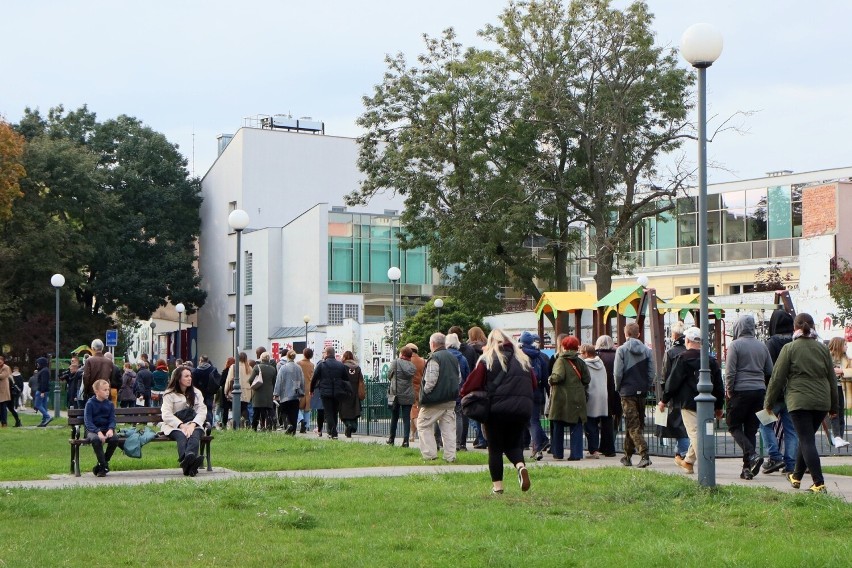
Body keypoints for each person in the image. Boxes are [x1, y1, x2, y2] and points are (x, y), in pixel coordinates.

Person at [765, 313, 838, 494]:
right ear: (812, 326)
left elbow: (777, 379)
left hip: (799, 401)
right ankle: (796, 477)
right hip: (822, 401)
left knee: (806, 440)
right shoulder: (823, 349)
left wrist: (768, 403)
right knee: (807, 438)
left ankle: (818, 483)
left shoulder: (789, 349)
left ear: (794, 328)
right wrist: (834, 407)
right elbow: (831, 378)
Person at [460, 329, 535, 494]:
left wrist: (466, 394)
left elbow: (471, 384)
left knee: (495, 449)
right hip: (522, 409)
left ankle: (498, 488)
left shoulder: (487, 359)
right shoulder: (523, 360)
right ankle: (520, 467)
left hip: (496, 409)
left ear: (490, 342)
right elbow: (534, 384)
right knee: (514, 445)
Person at [658, 326, 725, 475]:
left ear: (687, 340)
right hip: (708, 402)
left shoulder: (682, 358)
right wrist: (719, 406)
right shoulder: (711, 360)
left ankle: (706, 464)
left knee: (695, 433)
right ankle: (688, 462)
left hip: (688, 402)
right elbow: (719, 385)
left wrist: (664, 400)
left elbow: (672, 382)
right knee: (701, 431)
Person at [725, 314, 774, 479]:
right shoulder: (762, 346)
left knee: (733, 426)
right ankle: (747, 468)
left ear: (738, 327)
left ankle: (752, 456)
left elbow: (730, 371)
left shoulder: (735, 345)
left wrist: (729, 390)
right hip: (759, 391)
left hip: (740, 390)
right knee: (751, 430)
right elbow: (769, 371)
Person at [760, 309, 799, 474]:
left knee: (764, 423)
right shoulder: (795, 342)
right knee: (791, 429)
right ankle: (791, 464)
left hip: (775, 394)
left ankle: (775, 456)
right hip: (792, 394)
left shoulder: (771, 343)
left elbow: (769, 370)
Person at [614, 322, 654, 468]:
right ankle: (627, 456)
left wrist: (618, 387)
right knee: (636, 424)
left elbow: (618, 373)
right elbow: (651, 373)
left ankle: (644, 454)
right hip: (641, 391)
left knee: (632, 425)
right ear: (638, 334)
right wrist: (646, 386)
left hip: (627, 391)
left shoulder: (621, 350)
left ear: (626, 334)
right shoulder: (647, 351)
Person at [416, 333, 459, 462]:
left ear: (432, 344)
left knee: (423, 424)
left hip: (434, 401)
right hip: (450, 400)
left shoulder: (435, 358)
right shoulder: (453, 358)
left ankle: (430, 455)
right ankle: (450, 457)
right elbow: (459, 378)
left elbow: (430, 381)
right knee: (449, 429)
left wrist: (425, 394)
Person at [548, 336, 590, 461]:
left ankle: (558, 453)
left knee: (558, 424)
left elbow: (558, 377)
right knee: (576, 425)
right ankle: (576, 454)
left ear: (564, 347)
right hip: (577, 397)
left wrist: (550, 379)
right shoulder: (581, 361)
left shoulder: (560, 361)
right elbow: (587, 379)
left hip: (561, 398)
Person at [160, 366, 207, 477]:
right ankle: (191, 465)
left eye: (190, 376)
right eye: (186, 376)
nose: (189, 378)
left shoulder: (196, 393)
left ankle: (186, 462)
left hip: (194, 423)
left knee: (195, 435)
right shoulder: (169, 394)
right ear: (178, 379)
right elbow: (166, 414)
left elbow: (202, 411)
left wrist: (193, 424)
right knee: (181, 436)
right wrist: (181, 425)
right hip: (174, 426)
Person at [658, 322, 690, 460]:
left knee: (678, 425)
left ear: (674, 335)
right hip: (690, 393)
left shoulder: (670, 353)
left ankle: (683, 453)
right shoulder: (690, 351)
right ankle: (680, 451)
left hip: (674, 394)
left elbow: (665, 376)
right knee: (686, 424)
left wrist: (664, 396)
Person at [519, 331, 551, 461]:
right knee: (533, 420)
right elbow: (545, 378)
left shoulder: (518, 355)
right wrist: (548, 394)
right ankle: (542, 440)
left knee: (529, 421)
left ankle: (538, 447)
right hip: (537, 391)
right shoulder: (540, 356)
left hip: (522, 392)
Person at [84, 379, 120, 476]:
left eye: (108, 389)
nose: (107, 392)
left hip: (106, 429)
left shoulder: (110, 404)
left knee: (115, 439)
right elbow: (88, 421)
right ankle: (103, 466)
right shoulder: (90, 403)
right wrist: (98, 432)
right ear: (96, 391)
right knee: (96, 439)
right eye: (104, 390)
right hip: (92, 430)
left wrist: (111, 429)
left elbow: (112, 419)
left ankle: (102, 464)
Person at [311, 346, 348, 439]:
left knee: (328, 412)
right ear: (334, 354)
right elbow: (346, 379)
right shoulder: (340, 365)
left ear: (327, 354)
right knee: (334, 412)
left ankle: (332, 432)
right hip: (337, 392)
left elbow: (314, 378)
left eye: (324, 352)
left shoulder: (322, 364)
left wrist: (311, 390)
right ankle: (332, 430)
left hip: (325, 392)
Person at [580, 343, 609, 458]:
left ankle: (593, 450)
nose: (580, 355)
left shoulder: (584, 364)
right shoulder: (600, 363)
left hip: (590, 396)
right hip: (602, 396)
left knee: (589, 425)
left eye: (581, 353)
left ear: (586, 353)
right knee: (596, 424)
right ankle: (595, 448)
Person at [594, 335, 619, 457]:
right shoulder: (616, 355)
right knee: (610, 420)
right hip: (615, 392)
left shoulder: (598, 356)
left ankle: (604, 447)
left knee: (599, 420)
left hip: (600, 391)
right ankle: (608, 447)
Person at [463, 327, 488, 449]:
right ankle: (483, 437)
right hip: (486, 383)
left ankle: (481, 437)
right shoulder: (488, 346)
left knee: (472, 412)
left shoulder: (470, 348)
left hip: (475, 382)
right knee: (484, 411)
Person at [445, 333, 471, 450]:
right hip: (459, 391)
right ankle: (459, 443)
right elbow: (467, 376)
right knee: (459, 416)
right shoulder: (463, 358)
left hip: (445, 392)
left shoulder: (444, 356)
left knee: (442, 416)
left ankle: (440, 441)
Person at [387, 346, 416, 447]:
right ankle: (406, 441)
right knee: (406, 418)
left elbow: (389, 375)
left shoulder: (395, 362)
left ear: (401, 354)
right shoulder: (412, 366)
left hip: (396, 394)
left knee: (394, 417)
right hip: (408, 394)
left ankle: (391, 439)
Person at [273, 350, 304, 433]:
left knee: (284, 412)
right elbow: (302, 381)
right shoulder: (298, 368)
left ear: (287, 356)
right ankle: (293, 430)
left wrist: (276, 393)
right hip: (296, 395)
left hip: (285, 395)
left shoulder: (283, 368)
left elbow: (278, 381)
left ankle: (288, 424)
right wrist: (302, 392)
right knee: (294, 414)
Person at [827, 337, 850, 447]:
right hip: (830, 388)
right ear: (838, 345)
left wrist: (842, 371)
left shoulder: (847, 359)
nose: (847, 346)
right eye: (845, 344)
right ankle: (836, 437)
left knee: (841, 413)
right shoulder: (827, 357)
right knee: (834, 412)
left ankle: (839, 437)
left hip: (842, 388)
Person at [339, 351, 365, 437]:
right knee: (354, 411)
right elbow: (361, 380)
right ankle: (353, 427)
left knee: (344, 412)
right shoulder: (357, 368)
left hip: (345, 391)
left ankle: (348, 425)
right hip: (355, 392)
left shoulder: (342, 366)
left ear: (345, 357)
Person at [249, 351, 277, 431]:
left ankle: (254, 428)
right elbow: (274, 381)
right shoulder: (273, 369)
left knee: (257, 412)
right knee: (267, 410)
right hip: (268, 393)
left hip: (258, 392)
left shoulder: (257, 367)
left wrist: (253, 385)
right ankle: (268, 425)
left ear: (261, 358)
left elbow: (251, 379)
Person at [224, 352, 252, 428]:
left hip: (236, 391)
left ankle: (236, 425)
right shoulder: (249, 368)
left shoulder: (234, 367)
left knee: (236, 408)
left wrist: (226, 391)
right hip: (247, 391)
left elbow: (229, 380)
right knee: (244, 407)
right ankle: (246, 421)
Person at [192, 355, 221, 425]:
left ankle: (201, 423)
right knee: (209, 409)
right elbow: (217, 380)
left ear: (201, 361)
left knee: (199, 408)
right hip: (209, 392)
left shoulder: (196, 371)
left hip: (199, 392)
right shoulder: (213, 369)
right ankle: (210, 424)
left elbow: (194, 383)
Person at [408, 343, 427, 443]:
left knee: (414, 412)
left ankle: (420, 432)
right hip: (421, 389)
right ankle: (412, 434)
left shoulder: (407, 361)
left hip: (410, 390)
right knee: (416, 410)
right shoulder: (423, 361)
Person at [297, 348, 315, 433]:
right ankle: (307, 426)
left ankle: (301, 420)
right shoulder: (312, 365)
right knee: (307, 408)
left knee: (297, 407)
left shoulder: (299, 363)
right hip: (309, 387)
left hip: (300, 387)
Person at [0, 355, 21, 427]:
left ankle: (17, 421)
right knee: (3, 408)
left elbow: (2, 376)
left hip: (9, 392)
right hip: (3, 392)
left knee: (10, 408)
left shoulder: (6, 369)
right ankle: (3, 422)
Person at [217, 357, 235, 429]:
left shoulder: (225, 371)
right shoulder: (236, 371)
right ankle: (234, 423)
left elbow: (221, 382)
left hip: (226, 392)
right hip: (234, 391)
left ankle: (224, 424)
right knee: (234, 408)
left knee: (225, 409)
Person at [34, 356, 52, 427]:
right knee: (44, 406)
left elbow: (44, 382)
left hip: (41, 390)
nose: (37, 365)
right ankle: (44, 421)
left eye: (38, 363)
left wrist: (42, 391)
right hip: (45, 390)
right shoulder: (45, 370)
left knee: (37, 405)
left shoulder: (44, 371)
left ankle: (48, 417)